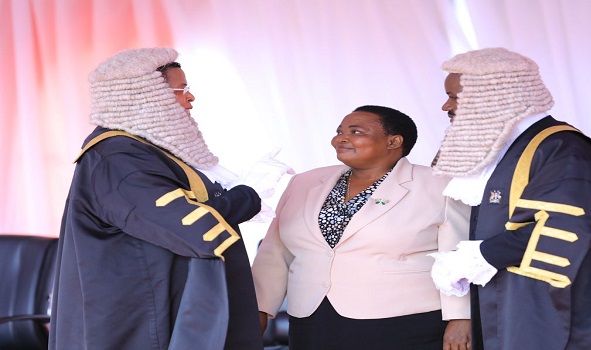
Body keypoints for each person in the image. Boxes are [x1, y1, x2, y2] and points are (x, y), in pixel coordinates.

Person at [49, 47, 285, 350]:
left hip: (159, 297)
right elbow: (187, 224)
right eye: (181, 89)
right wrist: (247, 193)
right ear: (146, 97)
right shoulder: (118, 156)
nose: (190, 98)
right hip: (141, 312)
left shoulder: (143, 150)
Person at [429, 47, 591, 349]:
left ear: (494, 97)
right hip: (512, 303)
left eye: (455, 97)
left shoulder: (564, 150)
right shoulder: (512, 149)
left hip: (560, 312)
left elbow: (565, 228)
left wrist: (479, 257)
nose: (446, 106)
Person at [252, 105, 472, 349]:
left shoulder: (439, 184)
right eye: (339, 131)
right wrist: (257, 310)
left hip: (402, 320)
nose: (341, 138)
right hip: (312, 318)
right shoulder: (304, 182)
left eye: (356, 132)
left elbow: (458, 256)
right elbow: (274, 253)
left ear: (394, 141)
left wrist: (461, 318)